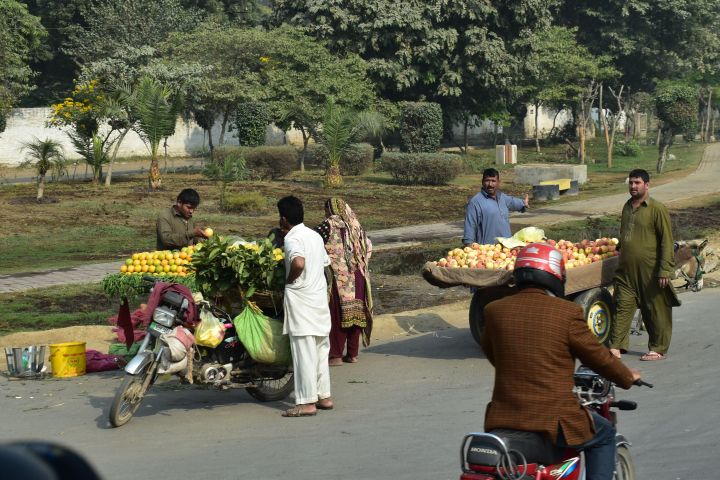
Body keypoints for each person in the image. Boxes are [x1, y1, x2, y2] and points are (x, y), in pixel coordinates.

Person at [481, 242, 641, 480]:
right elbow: (599, 357)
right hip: (552, 419)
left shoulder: (494, 310)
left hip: (503, 418)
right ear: (554, 274)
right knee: (604, 435)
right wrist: (627, 376)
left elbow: (495, 355)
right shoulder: (566, 313)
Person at [610, 169, 680, 361]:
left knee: (655, 309)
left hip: (651, 271)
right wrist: (619, 246)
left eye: (637, 183)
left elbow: (667, 240)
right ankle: (617, 345)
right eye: (631, 183)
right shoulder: (626, 206)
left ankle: (658, 347)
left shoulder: (657, 209)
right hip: (626, 271)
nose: (633, 186)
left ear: (647, 185)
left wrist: (665, 269)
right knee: (622, 306)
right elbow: (627, 232)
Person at [277, 195, 334, 417]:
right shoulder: (314, 235)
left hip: (301, 301)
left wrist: (289, 280)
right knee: (320, 350)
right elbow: (324, 265)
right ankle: (324, 397)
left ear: (283, 219)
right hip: (318, 301)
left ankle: (307, 403)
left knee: (303, 353)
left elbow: (299, 263)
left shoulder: (292, 239)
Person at [315, 198, 373, 366]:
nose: (325, 213)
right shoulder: (356, 225)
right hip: (359, 276)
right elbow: (368, 247)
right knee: (356, 314)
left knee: (337, 315)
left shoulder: (328, 225)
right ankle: (353, 354)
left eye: (326, 209)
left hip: (340, 278)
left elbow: (312, 240)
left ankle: (335, 355)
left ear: (330, 210)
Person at [463, 168, 529, 246]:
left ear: (498, 182)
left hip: (507, 247)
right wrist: (468, 245)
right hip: (488, 250)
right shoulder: (475, 202)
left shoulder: (502, 197)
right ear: (482, 182)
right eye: (487, 181)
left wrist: (523, 203)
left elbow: (512, 202)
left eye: (493, 181)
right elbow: (470, 225)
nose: (490, 184)